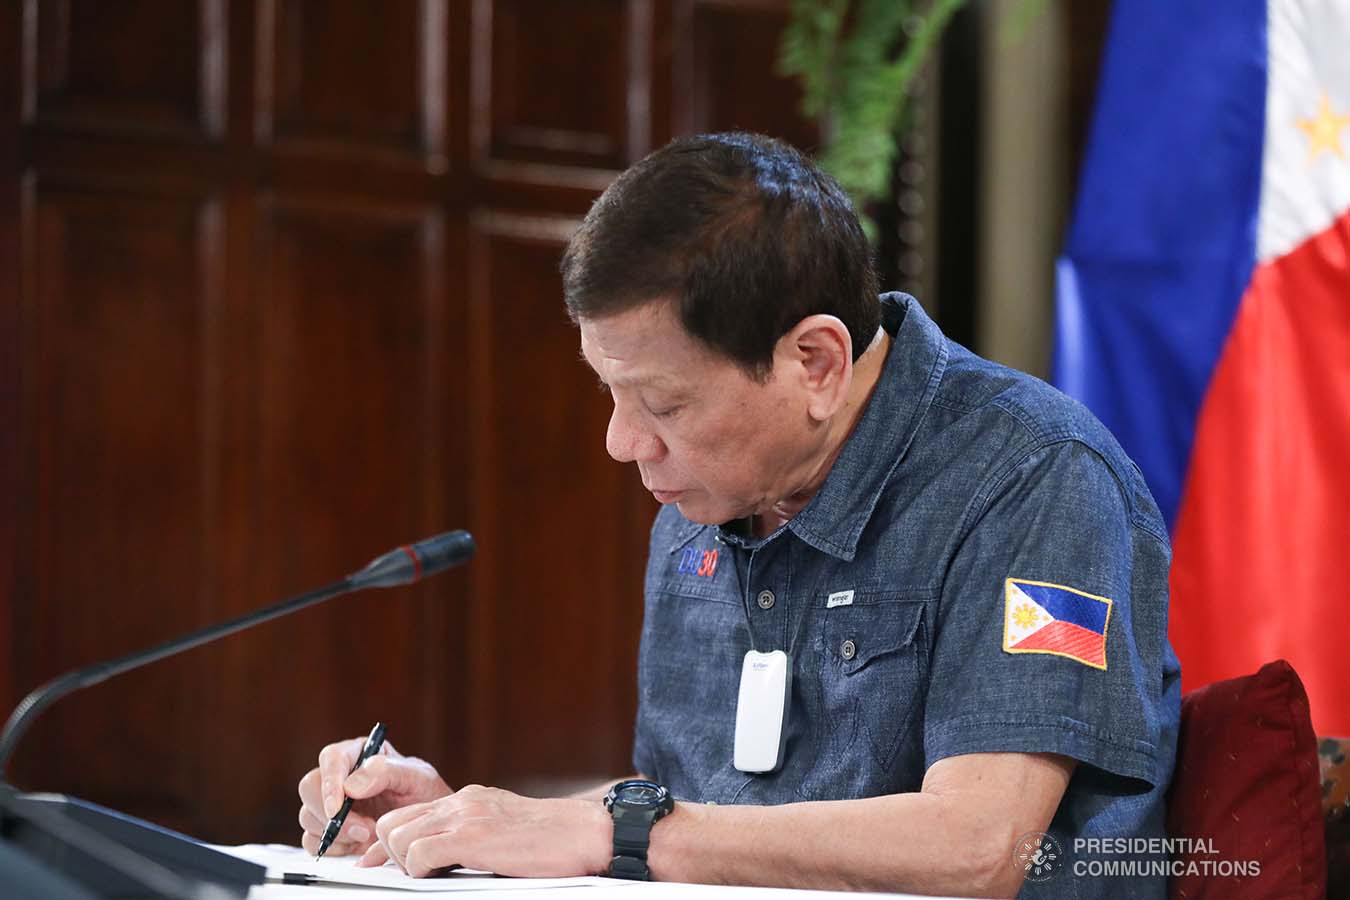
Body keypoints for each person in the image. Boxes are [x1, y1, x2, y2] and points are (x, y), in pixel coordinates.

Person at [296, 132, 1180, 898]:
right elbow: (700, 812)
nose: (620, 442)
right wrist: (462, 829)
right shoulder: (700, 505)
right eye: (608, 393)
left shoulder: (1034, 477)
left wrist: (616, 830)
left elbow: (984, 845)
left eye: (663, 404)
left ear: (816, 363)